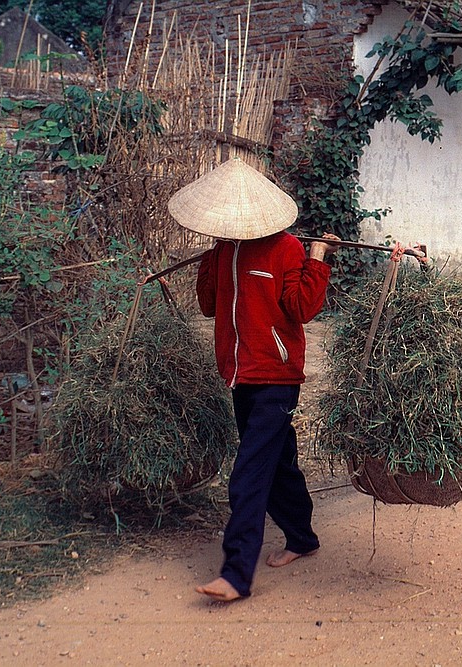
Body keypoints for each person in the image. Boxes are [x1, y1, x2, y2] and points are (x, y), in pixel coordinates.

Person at [167, 157, 339, 602]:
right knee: (277, 462)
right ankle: (302, 537)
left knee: (248, 473)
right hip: (238, 375)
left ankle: (236, 574)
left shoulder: (286, 248)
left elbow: (302, 308)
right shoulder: (224, 250)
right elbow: (208, 306)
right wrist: (210, 261)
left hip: (277, 376)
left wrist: (317, 259)